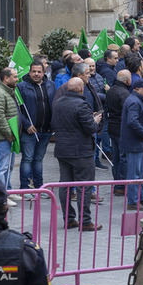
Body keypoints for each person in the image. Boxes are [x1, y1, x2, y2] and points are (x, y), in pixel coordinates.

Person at [52, 77, 102, 231]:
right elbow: (90, 128)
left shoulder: (58, 103)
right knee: (84, 187)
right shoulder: (82, 104)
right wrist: (95, 120)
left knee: (65, 185)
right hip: (81, 151)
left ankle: (68, 219)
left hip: (62, 150)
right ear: (81, 89)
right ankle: (85, 221)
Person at [17, 60, 55, 191]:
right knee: (27, 159)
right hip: (29, 131)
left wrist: (53, 124)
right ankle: (25, 188)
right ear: (29, 72)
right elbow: (17, 110)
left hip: (46, 130)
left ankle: (39, 187)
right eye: (34, 71)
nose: (36, 74)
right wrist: (26, 124)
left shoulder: (51, 85)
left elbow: (54, 105)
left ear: (44, 72)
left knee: (38, 160)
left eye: (39, 71)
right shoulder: (21, 87)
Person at [121, 76, 143, 211]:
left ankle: (140, 198)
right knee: (135, 173)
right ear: (136, 89)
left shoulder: (136, 100)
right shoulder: (134, 102)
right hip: (135, 143)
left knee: (139, 172)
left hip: (137, 143)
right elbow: (133, 121)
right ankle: (133, 201)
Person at [0, 68, 20, 200]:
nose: (17, 79)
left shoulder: (8, 91)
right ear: (6, 78)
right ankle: (1, 196)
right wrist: (8, 134)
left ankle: (8, 191)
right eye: (15, 77)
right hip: (2, 138)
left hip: (9, 137)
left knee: (9, 166)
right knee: (1, 168)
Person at [106, 69, 132, 193]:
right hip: (121, 129)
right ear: (128, 80)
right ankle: (122, 185)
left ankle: (117, 183)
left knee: (116, 157)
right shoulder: (124, 93)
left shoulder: (111, 90)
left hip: (112, 127)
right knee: (123, 158)